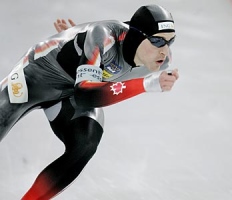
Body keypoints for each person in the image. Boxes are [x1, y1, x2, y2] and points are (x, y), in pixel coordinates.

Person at [0, 4, 178, 199]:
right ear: (136, 36)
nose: (164, 51)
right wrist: (146, 85)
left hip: (71, 91)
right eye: (157, 41)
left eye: (170, 42)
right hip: (36, 75)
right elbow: (85, 95)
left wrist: (82, 49)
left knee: (85, 144)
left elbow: (98, 80)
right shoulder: (104, 35)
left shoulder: (161, 61)